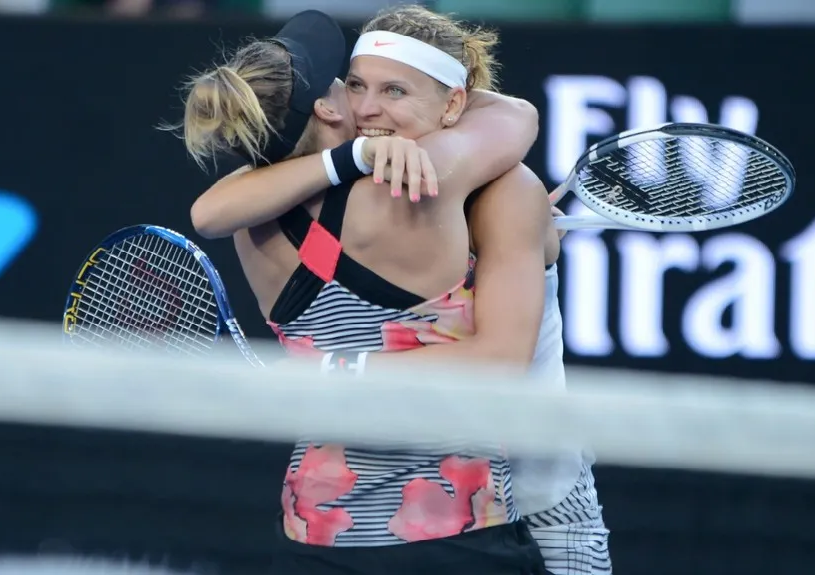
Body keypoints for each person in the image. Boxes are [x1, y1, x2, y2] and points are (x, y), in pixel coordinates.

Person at [178, 6, 609, 574]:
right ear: (329, 105)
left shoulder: (250, 212)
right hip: (467, 522)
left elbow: (208, 211)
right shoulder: (460, 180)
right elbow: (514, 116)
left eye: (393, 90)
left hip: (318, 530)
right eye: (352, 84)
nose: (367, 106)